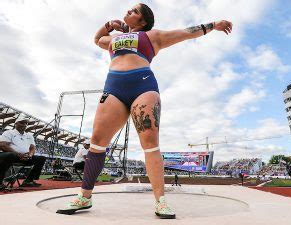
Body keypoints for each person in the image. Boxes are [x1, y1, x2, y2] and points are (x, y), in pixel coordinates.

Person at [56, 3, 232, 219]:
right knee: (96, 143)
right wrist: (109, 24)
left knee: (150, 144)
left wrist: (214, 25)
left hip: (143, 86)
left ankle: (161, 202)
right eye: (129, 9)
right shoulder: (112, 40)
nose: (128, 11)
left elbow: (187, 33)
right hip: (113, 88)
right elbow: (96, 39)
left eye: (134, 11)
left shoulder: (152, 35)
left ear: (143, 21)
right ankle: (84, 197)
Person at [0, 115, 46, 187]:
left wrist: (30, 155)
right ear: (16, 123)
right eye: (22, 123)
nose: (24, 125)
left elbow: (32, 148)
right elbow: (2, 145)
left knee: (41, 158)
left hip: (25, 157)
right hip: (12, 156)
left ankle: (29, 181)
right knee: (10, 155)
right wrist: (18, 154)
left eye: (25, 123)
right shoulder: (9, 132)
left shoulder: (29, 136)